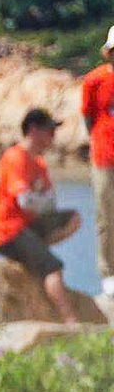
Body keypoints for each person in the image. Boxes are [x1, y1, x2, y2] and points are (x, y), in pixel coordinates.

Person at [0, 107, 82, 324]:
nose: (53, 136)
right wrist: (38, 201)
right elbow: (25, 202)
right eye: (49, 130)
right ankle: (70, 320)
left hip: (29, 224)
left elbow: (49, 202)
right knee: (53, 267)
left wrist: (37, 201)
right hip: (9, 231)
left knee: (73, 218)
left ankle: (37, 252)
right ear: (33, 130)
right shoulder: (14, 157)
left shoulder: (39, 162)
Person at [79, 26, 114, 295]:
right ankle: (108, 271)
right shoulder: (94, 81)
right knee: (105, 215)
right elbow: (88, 117)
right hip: (104, 156)